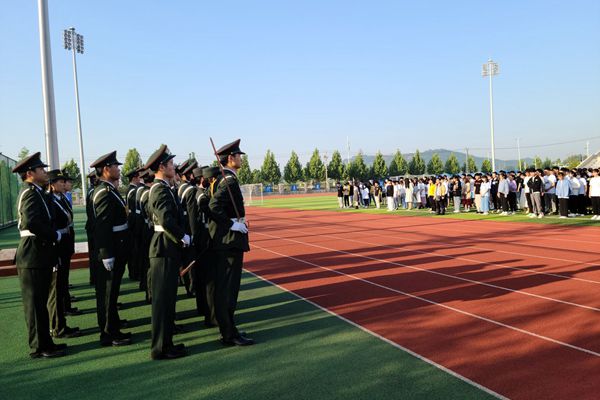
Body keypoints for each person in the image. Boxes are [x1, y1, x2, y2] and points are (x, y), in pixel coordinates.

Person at [12, 152, 67, 358]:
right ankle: (39, 346)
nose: (45, 172)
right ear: (30, 173)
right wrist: (54, 235)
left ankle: (46, 342)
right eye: (41, 169)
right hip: (32, 253)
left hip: (39, 252)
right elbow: (31, 222)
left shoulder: (37, 192)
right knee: (35, 304)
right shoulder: (29, 193)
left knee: (41, 302)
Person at [144, 145, 189, 359]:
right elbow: (166, 220)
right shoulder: (159, 189)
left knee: (169, 299)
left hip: (168, 247)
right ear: (161, 167)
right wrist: (182, 236)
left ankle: (167, 343)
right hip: (163, 248)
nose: (174, 166)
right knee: (162, 301)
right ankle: (160, 348)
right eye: (170, 163)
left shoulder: (165, 188)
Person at [208, 139, 254, 346]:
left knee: (225, 288)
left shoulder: (222, 179)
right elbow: (213, 206)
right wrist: (232, 225)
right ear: (230, 158)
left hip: (225, 240)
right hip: (229, 241)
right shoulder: (229, 180)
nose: (241, 158)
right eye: (238, 155)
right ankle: (228, 333)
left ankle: (228, 329)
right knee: (228, 289)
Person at [90, 151, 132, 347]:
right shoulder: (104, 192)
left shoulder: (110, 190)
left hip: (118, 245)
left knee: (112, 292)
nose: (119, 169)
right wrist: (106, 254)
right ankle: (108, 334)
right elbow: (102, 226)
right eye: (116, 166)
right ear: (106, 169)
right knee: (107, 293)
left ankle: (113, 327)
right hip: (112, 248)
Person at [46, 170, 80, 339]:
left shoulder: (60, 198)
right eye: (60, 181)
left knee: (61, 283)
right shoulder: (49, 200)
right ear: (52, 185)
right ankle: (57, 327)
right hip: (57, 245)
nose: (63, 183)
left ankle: (61, 323)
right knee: (56, 288)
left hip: (64, 243)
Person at [195, 166, 219, 327]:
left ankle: (209, 313)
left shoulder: (201, 193)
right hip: (205, 240)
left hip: (204, 238)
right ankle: (211, 316)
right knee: (210, 281)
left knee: (207, 280)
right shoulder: (200, 195)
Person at [85, 171, 97, 285]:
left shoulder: (91, 190)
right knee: (94, 254)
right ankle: (95, 278)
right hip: (93, 226)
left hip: (91, 225)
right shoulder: (93, 191)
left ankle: (94, 277)